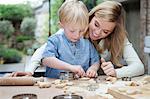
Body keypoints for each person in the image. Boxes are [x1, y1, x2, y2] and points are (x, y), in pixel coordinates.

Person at [12, 0, 144, 78]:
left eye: (105, 31)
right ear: (90, 18)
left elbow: (139, 67)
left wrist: (116, 72)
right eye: (96, 24)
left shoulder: (116, 38)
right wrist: (28, 71)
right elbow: (43, 53)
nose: (97, 33)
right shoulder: (71, 29)